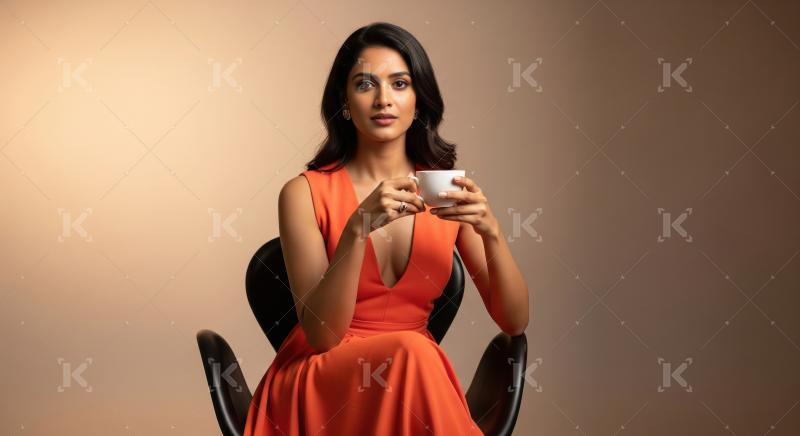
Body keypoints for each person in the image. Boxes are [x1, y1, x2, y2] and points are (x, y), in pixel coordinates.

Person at [243, 21, 529, 436]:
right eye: (364, 84)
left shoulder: (445, 190)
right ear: (344, 100)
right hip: (323, 374)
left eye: (399, 83)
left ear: (419, 99)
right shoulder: (303, 193)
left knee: (415, 354)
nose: (383, 100)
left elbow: (514, 322)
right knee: (415, 353)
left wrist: (493, 233)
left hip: (413, 376)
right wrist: (356, 228)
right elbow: (322, 336)